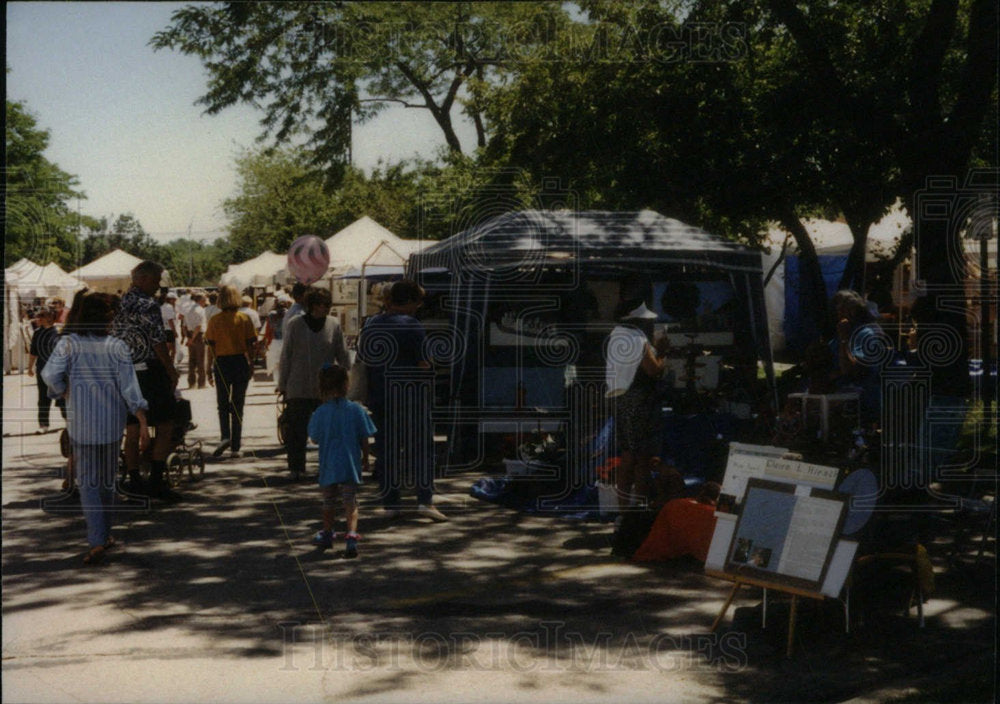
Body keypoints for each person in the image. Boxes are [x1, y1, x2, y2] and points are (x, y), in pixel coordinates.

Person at [42, 291, 150, 565]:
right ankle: (104, 536)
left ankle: (97, 540)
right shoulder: (117, 347)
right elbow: (130, 387)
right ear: (107, 320)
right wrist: (142, 420)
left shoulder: (68, 344)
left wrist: (62, 391)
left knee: (89, 483)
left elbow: (50, 375)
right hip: (111, 424)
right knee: (107, 481)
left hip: (82, 423)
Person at [357, 279, 447, 521]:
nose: (419, 306)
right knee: (421, 449)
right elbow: (423, 363)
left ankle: (391, 502)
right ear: (408, 301)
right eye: (418, 301)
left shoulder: (371, 325)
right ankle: (424, 500)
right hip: (411, 397)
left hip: (380, 396)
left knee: (387, 450)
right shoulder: (412, 326)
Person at [111, 260, 182, 502]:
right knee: (165, 424)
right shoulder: (148, 304)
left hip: (124, 369)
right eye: (155, 280)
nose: (157, 286)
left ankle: (134, 479)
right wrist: (170, 370)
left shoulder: (119, 302)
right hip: (149, 370)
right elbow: (156, 340)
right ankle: (156, 480)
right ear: (141, 279)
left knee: (132, 427)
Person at [277, 287, 349, 480]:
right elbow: (286, 355)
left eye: (328, 305)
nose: (326, 308)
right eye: (322, 305)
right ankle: (296, 467)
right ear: (312, 305)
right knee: (296, 430)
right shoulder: (295, 324)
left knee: (329, 430)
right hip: (298, 385)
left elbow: (342, 352)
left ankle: (328, 466)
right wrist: (282, 383)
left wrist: (346, 378)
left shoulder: (333, 324)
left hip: (326, 387)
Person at [308, 364, 377, 558]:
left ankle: (328, 533)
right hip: (350, 464)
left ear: (322, 387)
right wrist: (365, 459)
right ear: (346, 384)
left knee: (328, 501)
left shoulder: (320, 412)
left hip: (329, 464)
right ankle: (352, 536)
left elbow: (314, 438)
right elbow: (365, 437)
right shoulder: (356, 410)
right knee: (350, 502)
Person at [605, 299, 669, 508]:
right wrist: (663, 353)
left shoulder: (616, 335)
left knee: (633, 456)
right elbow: (653, 370)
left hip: (621, 399)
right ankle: (629, 509)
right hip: (638, 401)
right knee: (636, 458)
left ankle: (628, 509)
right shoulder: (636, 339)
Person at [205, 285, 258, 459]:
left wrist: (207, 368)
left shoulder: (214, 320)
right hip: (240, 362)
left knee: (222, 403)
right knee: (238, 404)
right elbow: (252, 345)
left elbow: (210, 347)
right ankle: (236, 445)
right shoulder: (244, 318)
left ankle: (225, 437)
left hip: (221, 362)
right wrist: (251, 365)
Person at [830, 289, 887, 428]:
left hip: (861, 395)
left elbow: (852, 370)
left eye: (839, 311)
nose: (837, 315)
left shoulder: (864, 333)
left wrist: (844, 339)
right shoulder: (850, 329)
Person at [27, 307, 60, 433]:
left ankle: (69, 423)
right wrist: (30, 367)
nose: (38, 319)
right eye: (38, 316)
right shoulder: (37, 333)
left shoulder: (58, 332)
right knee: (43, 398)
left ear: (48, 318)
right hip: (42, 369)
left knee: (62, 398)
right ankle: (43, 425)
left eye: (41, 316)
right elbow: (33, 352)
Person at [185, 292, 208, 389]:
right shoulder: (200, 310)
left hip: (190, 334)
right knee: (201, 360)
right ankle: (201, 383)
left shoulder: (188, 309)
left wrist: (189, 338)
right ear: (201, 301)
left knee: (192, 360)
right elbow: (198, 326)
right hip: (198, 335)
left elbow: (184, 325)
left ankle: (191, 382)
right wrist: (193, 338)